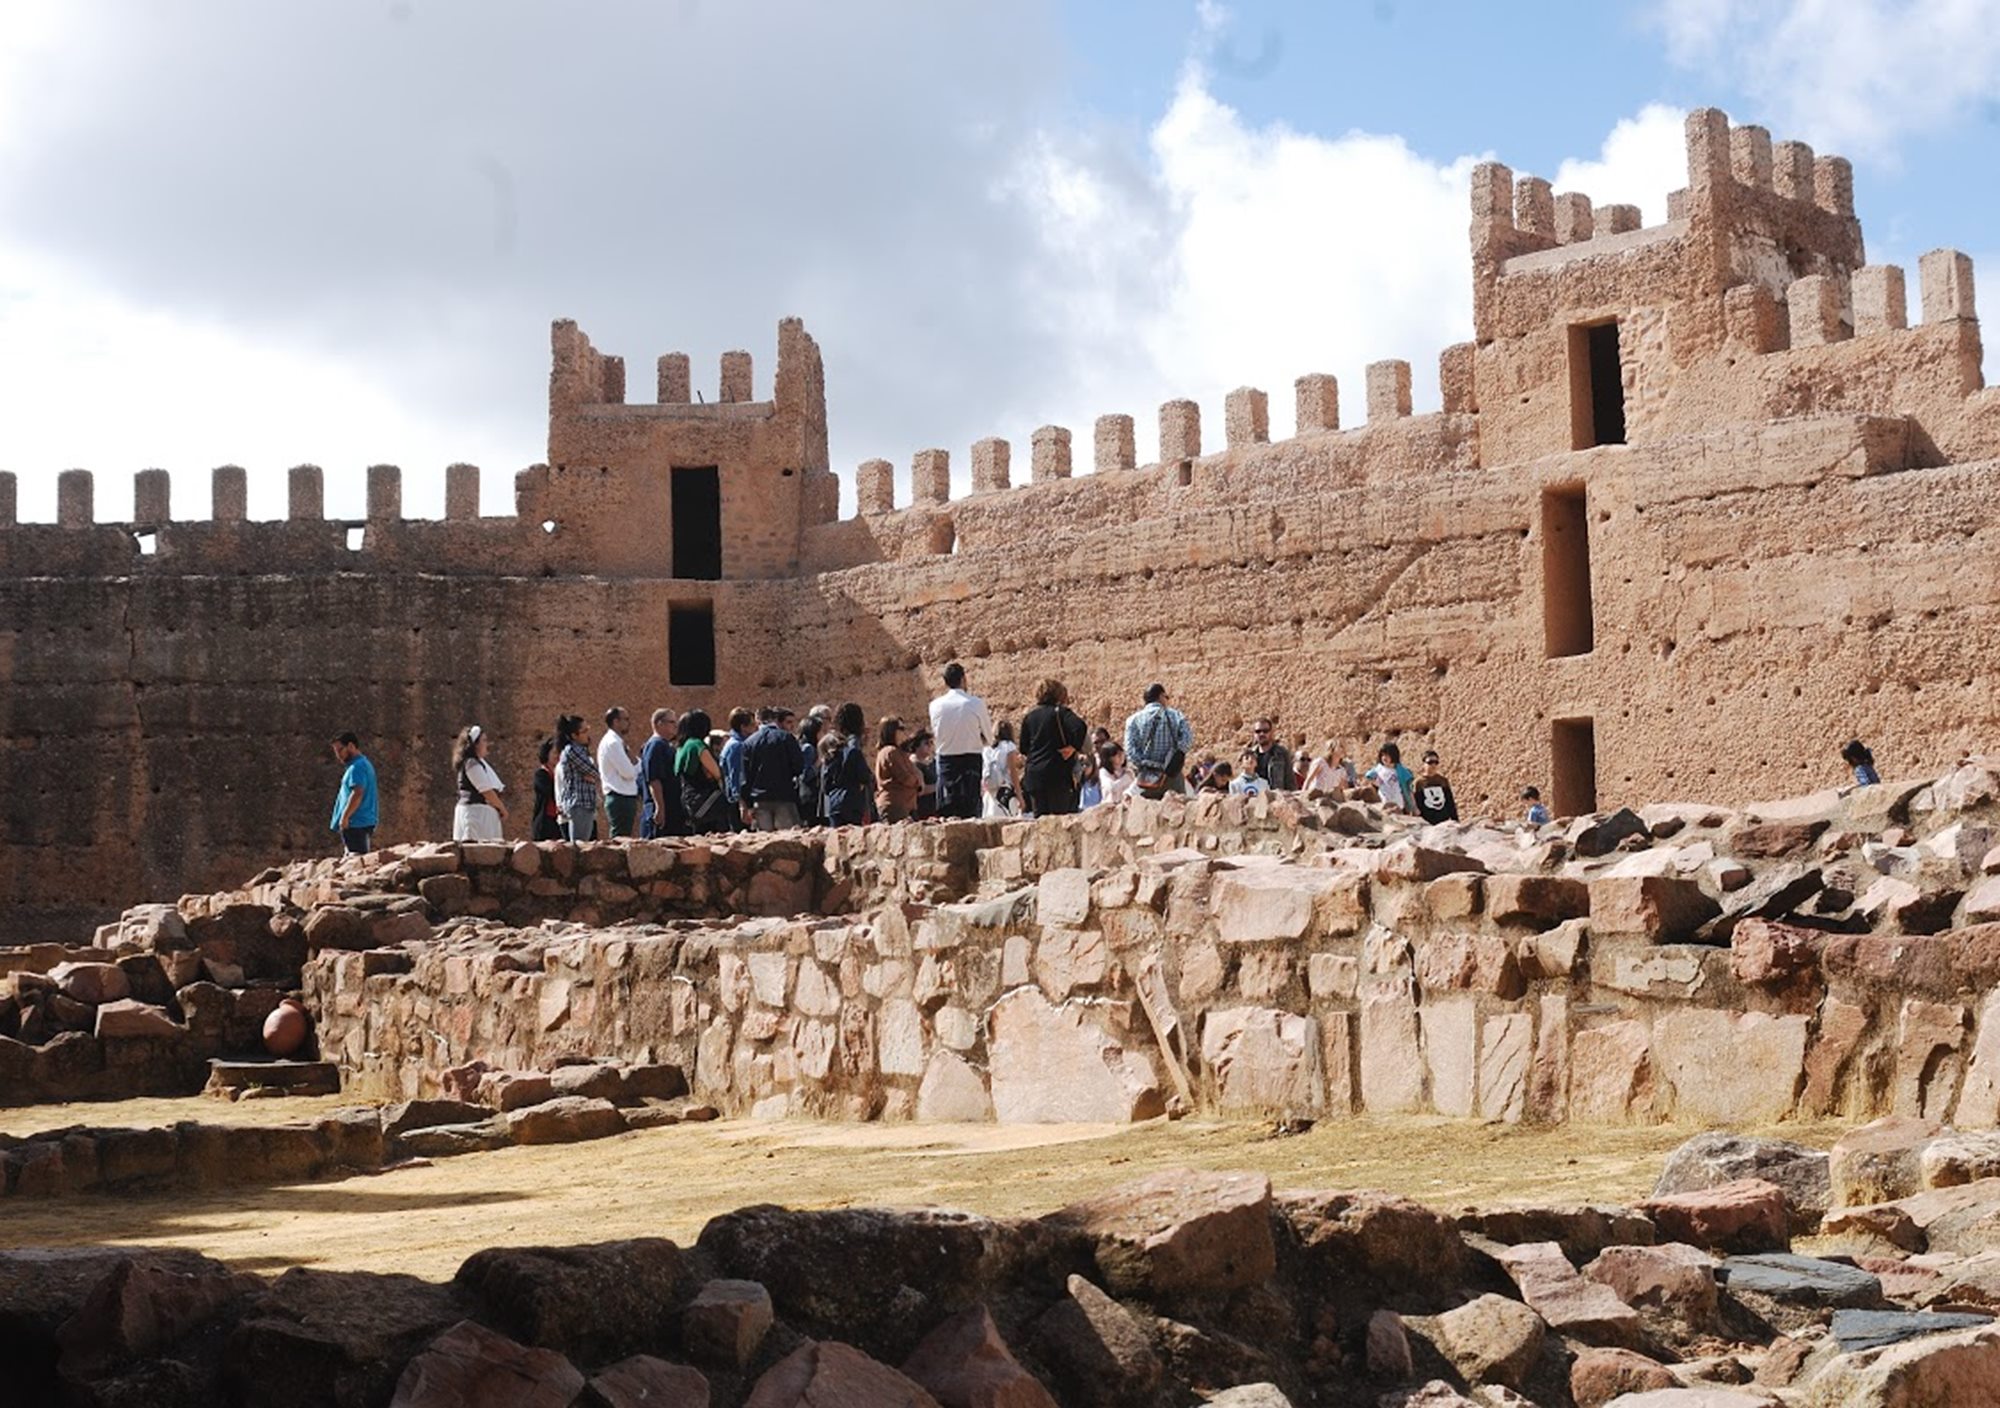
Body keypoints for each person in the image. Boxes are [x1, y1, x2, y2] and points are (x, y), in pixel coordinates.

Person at [929, 662, 994, 819]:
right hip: (970, 759)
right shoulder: (976, 703)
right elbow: (989, 736)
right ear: (963, 679)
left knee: (947, 810)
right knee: (970, 809)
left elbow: (937, 733)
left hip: (946, 761)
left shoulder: (935, 705)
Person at [1019, 679, 1089, 816]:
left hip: (1034, 776)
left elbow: (1023, 747)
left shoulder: (1029, 716)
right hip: (1057, 774)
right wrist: (1073, 747)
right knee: (1059, 821)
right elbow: (1080, 727)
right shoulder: (1061, 713)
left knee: (1039, 822)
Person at [1124, 683, 1193, 800]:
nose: (1167, 701)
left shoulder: (1133, 720)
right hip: (1172, 777)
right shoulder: (1176, 716)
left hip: (1146, 779)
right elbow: (1187, 742)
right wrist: (1171, 762)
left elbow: (1130, 750)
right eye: (1166, 697)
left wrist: (1145, 765)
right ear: (1161, 696)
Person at [740, 706, 805, 831]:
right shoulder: (786, 738)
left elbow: (745, 776)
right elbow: (799, 766)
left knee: (764, 840)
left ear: (757, 719)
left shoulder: (749, 742)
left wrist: (747, 804)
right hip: (784, 797)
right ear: (774, 719)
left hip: (760, 799)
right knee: (787, 839)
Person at [674, 710, 730, 833]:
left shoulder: (681, 747)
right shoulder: (697, 744)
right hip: (706, 799)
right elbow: (716, 773)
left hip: (688, 798)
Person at [451, 725, 507, 841]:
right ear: (475, 744)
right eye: (484, 741)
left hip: (480, 814)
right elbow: (486, 790)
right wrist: (502, 809)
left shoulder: (478, 763)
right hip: (475, 815)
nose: (487, 744)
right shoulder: (472, 764)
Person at [822, 702, 875, 826]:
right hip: (852, 801)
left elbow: (826, 782)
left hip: (834, 801)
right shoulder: (854, 744)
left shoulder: (831, 744)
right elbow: (863, 774)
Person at [328, 731, 378, 854]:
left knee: (356, 862)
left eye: (340, 750)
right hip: (360, 822)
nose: (338, 755)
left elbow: (358, 793)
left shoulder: (357, 767)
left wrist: (345, 817)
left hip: (355, 823)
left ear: (351, 746)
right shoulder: (362, 764)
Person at [554, 714, 601, 842]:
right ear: (574, 735)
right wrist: (591, 775)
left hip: (586, 803)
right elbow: (594, 772)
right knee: (578, 846)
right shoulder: (573, 751)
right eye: (584, 731)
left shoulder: (581, 750)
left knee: (584, 843)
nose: (588, 734)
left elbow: (592, 774)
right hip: (579, 803)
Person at [598, 706, 642, 838]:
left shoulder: (619, 742)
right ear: (616, 721)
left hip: (625, 797)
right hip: (619, 796)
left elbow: (637, 765)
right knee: (620, 840)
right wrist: (635, 767)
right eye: (626, 719)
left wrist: (635, 765)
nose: (629, 723)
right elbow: (629, 772)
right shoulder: (612, 743)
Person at [640, 708, 683, 839]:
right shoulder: (656, 745)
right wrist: (660, 808)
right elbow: (654, 779)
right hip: (662, 807)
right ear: (659, 724)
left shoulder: (666, 745)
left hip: (672, 807)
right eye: (672, 722)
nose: (676, 726)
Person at [875, 717, 923, 821]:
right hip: (895, 806)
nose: (904, 732)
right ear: (892, 731)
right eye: (901, 728)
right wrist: (917, 782)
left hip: (904, 805)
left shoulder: (898, 752)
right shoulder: (890, 752)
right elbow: (904, 777)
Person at [718, 706, 756, 824]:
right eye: (752, 725)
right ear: (743, 727)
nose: (756, 728)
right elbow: (737, 775)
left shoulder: (733, 743)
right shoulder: (737, 746)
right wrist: (742, 804)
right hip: (737, 802)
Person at [982, 720, 1023, 817]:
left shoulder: (987, 749)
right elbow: (1012, 771)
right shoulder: (1009, 746)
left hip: (989, 791)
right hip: (1004, 790)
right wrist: (1019, 795)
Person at [1413, 749, 1460, 823]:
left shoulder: (1443, 781)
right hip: (1428, 823)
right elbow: (1418, 804)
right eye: (1430, 762)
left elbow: (1450, 802)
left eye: (1436, 762)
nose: (1433, 765)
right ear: (1423, 764)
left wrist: (1455, 820)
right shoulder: (1419, 783)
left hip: (1444, 821)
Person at [1249, 718, 1295, 790]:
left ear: (1271, 732)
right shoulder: (1249, 755)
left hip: (1276, 797)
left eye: (1265, 731)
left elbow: (1290, 780)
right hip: (1255, 797)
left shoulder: (1282, 753)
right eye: (1258, 731)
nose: (1262, 734)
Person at [796, 715, 825, 826]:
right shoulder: (808, 748)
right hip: (809, 796)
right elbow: (805, 775)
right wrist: (818, 763)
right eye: (821, 731)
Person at [531, 737, 562, 841]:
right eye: (555, 752)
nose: (558, 756)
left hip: (558, 821)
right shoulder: (541, 774)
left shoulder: (560, 774)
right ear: (547, 754)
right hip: (546, 821)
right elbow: (551, 792)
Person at [1366, 742, 1409, 813]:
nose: (1384, 758)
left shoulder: (1399, 770)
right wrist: (1377, 783)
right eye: (1382, 755)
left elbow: (1407, 787)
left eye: (1387, 755)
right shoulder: (1379, 769)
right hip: (1384, 803)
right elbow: (1368, 776)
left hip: (1398, 803)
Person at [908, 730, 939, 819]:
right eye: (926, 743)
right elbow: (919, 790)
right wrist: (938, 786)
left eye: (931, 743)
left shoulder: (932, 762)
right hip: (921, 809)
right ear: (916, 746)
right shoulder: (913, 764)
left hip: (933, 808)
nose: (930, 746)